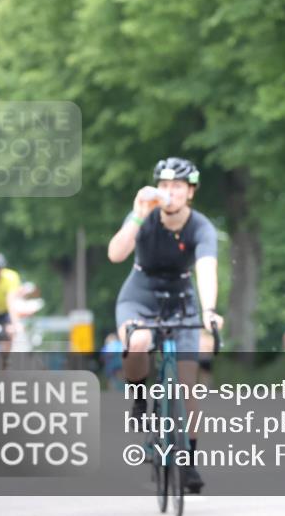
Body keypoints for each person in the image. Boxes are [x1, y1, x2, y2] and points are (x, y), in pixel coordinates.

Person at [108, 157, 224, 493]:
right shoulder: (144, 218)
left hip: (181, 296)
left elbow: (206, 269)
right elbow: (116, 254)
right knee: (139, 341)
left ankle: (188, 463)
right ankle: (140, 397)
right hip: (140, 293)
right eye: (163, 186)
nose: (169, 193)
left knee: (188, 386)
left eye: (177, 187)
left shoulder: (201, 227)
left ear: (190, 192)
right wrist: (137, 214)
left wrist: (210, 309)